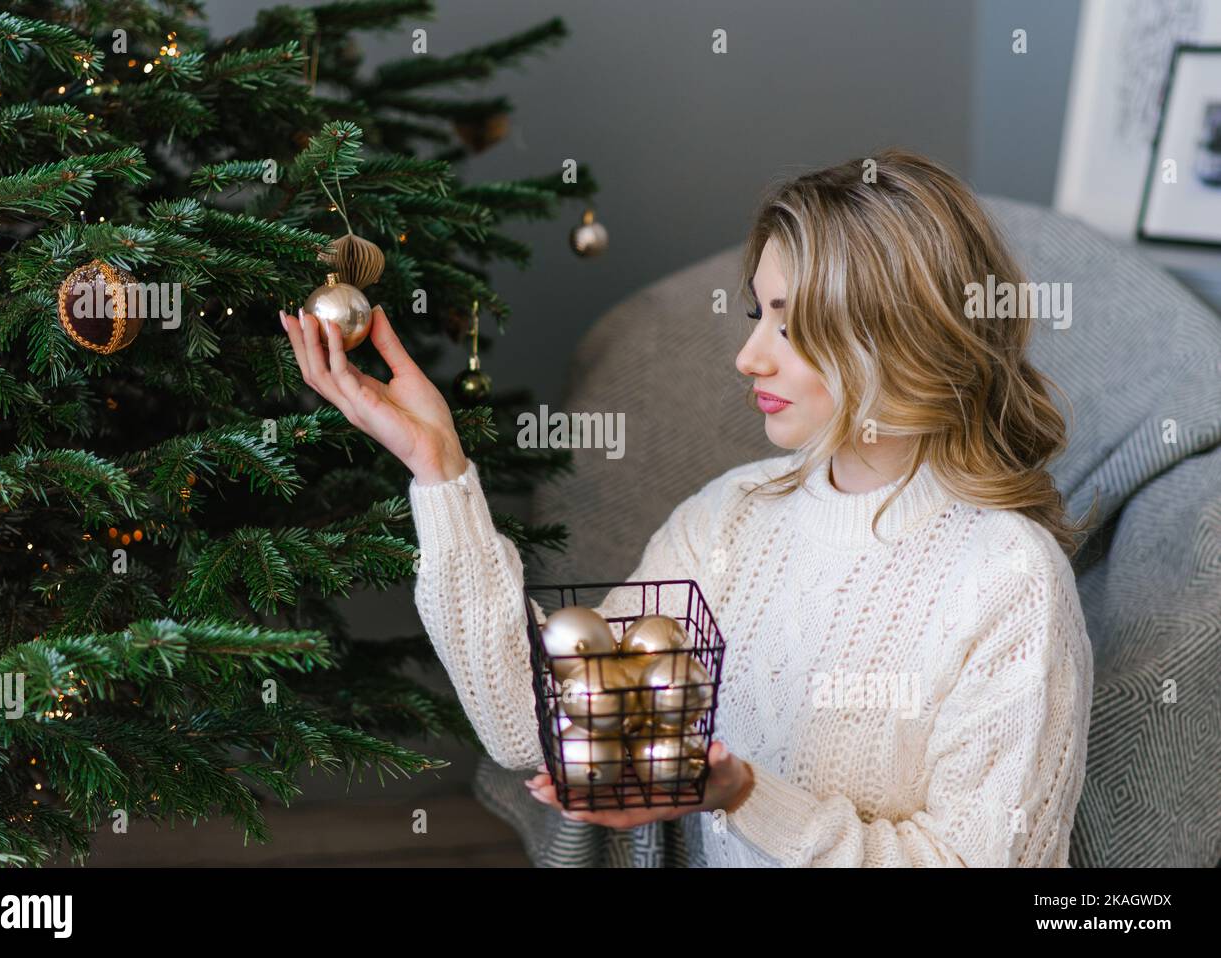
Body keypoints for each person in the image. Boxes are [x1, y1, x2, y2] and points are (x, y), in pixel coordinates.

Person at [279, 147, 1096, 867]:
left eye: (791, 323)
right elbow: (533, 730)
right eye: (756, 314)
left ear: (899, 339)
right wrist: (440, 470)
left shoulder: (1006, 577)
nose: (748, 356)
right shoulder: (729, 520)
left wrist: (745, 795)